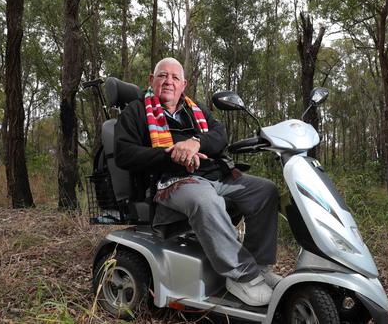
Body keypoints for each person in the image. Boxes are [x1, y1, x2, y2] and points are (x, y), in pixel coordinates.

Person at [114, 57, 281, 306]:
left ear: (184, 84)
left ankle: (259, 265)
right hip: (172, 181)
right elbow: (124, 153)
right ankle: (241, 275)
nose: (168, 81)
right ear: (152, 80)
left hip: (215, 174)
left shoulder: (196, 109)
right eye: (162, 76)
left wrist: (195, 143)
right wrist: (171, 154)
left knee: (265, 191)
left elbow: (219, 135)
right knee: (205, 200)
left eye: (174, 77)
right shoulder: (136, 111)